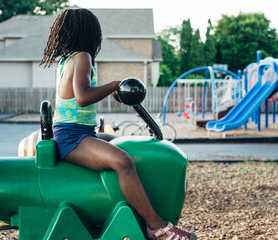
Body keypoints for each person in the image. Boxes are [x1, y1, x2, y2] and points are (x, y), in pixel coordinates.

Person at [40, 8, 196, 240]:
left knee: (123, 145)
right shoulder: (83, 57)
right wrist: (114, 84)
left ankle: (122, 209)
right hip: (73, 137)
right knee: (124, 161)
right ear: (89, 33)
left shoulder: (66, 60)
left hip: (78, 132)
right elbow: (82, 97)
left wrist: (111, 89)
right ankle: (157, 226)